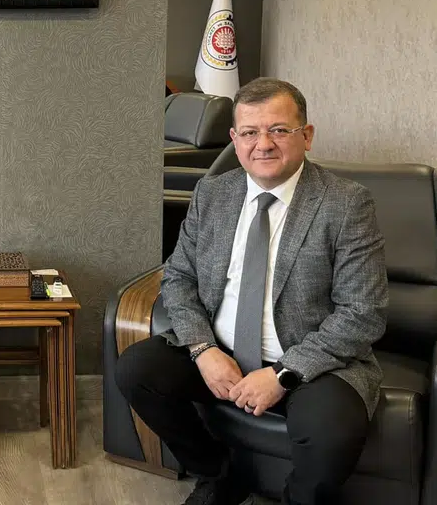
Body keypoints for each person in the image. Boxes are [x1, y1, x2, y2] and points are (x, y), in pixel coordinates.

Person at [115, 78, 388, 505]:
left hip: (311, 361)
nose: (263, 144)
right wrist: (203, 350)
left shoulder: (346, 204)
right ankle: (219, 474)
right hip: (221, 348)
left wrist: (283, 374)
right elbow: (179, 278)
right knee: (136, 371)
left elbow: (362, 312)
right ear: (234, 139)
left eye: (278, 129)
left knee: (331, 432)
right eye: (249, 132)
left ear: (306, 135)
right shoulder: (213, 193)